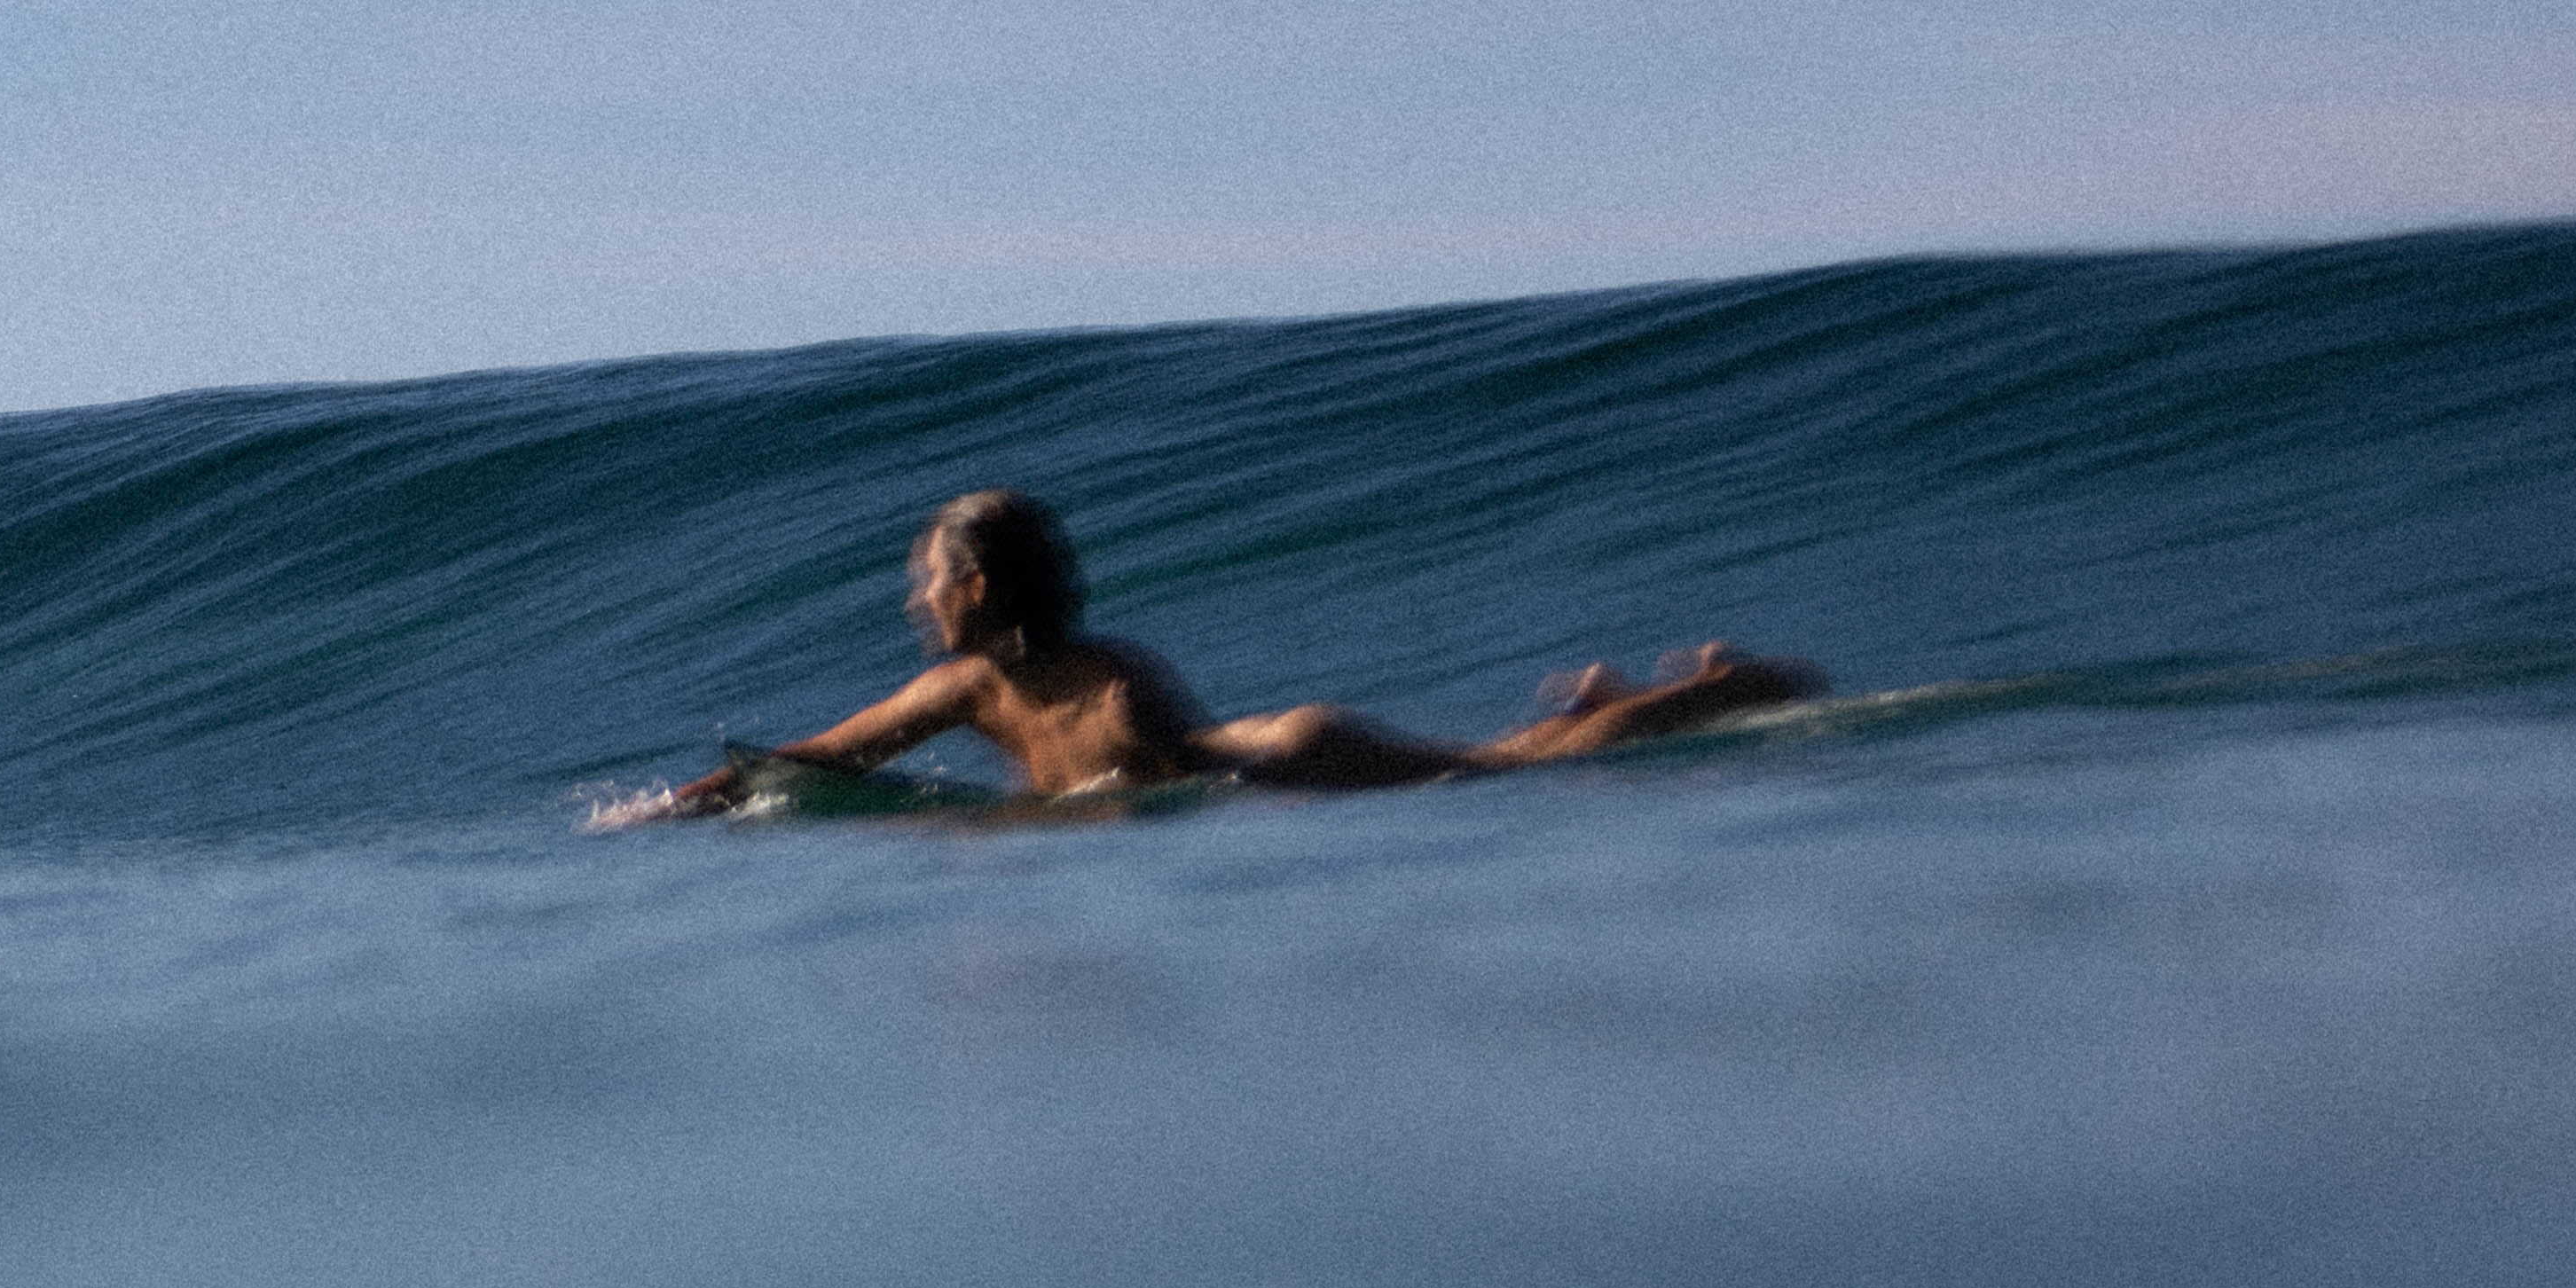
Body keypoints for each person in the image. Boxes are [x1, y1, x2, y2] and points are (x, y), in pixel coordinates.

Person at [595, 490, 1822, 823]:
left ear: (973, 588)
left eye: (925, 585)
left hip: (1287, 759)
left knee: (1517, 776)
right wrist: (685, 804)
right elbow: (822, 756)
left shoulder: (1109, 672)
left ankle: (1716, 689)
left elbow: (1151, 785)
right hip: (1258, 765)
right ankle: (1620, 698)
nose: (915, 606)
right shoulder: (963, 684)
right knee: (1501, 758)